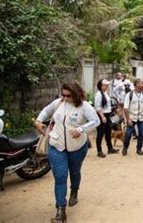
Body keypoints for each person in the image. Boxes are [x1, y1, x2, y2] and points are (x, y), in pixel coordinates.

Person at [34, 81, 100, 222]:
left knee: (75, 172)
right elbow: (46, 110)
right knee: (60, 177)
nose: (65, 98)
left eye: (68, 95)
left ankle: (74, 191)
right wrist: (39, 121)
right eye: (63, 95)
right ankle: (61, 211)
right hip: (57, 146)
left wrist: (81, 129)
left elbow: (95, 121)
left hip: (77, 147)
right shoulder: (58, 103)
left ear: (76, 94)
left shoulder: (84, 106)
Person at [122, 78, 143, 156]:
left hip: (142, 118)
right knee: (128, 134)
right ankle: (125, 147)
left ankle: (139, 149)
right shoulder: (129, 95)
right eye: (142, 83)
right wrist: (128, 119)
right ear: (137, 85)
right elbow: (126, 108)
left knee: (141, 134)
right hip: (132, 117)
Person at [94, 79, 118, 158]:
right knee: (100, 133)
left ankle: (110, 148)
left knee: (108, 132)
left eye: (107, 85)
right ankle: (99, 150)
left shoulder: (105, 93)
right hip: (102, 115)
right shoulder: (98, 95)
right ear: (101, 86)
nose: (107, 86)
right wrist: (102, 116)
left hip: (108, 114)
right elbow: (97, 107)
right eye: (105, 85)